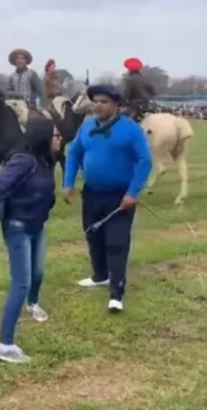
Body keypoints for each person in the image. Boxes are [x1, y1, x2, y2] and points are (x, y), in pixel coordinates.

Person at [63, 83, 152, 313]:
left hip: (120, 198)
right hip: (92, 194)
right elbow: (73, 154)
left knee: (116, 243)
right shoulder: (86, 127)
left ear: (115, 105)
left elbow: (145, 161)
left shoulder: (130, 129)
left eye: (104, 102)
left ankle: (116, 293)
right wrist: (68, 183)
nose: (98, 106)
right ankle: (100, 275)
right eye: (96, 101)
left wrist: (133, 193)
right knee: (93, 235)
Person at [0, 118, 60, 364]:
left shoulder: (46, 161)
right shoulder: (24, 161)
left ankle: (33, 304)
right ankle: (4, 345)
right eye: (55, 135)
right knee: (20, 283)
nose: (60, 138)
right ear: (44, 137)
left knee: (38, 273)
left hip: (37, 226)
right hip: (18, 228)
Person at [122, 57, 155, 123]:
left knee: (120, 120)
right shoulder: (146, 79)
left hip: (135, 107)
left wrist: (122, 103)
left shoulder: (130, 80)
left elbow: (126, 95)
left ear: (129, 70)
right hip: (149, 106)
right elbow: (153, 92)